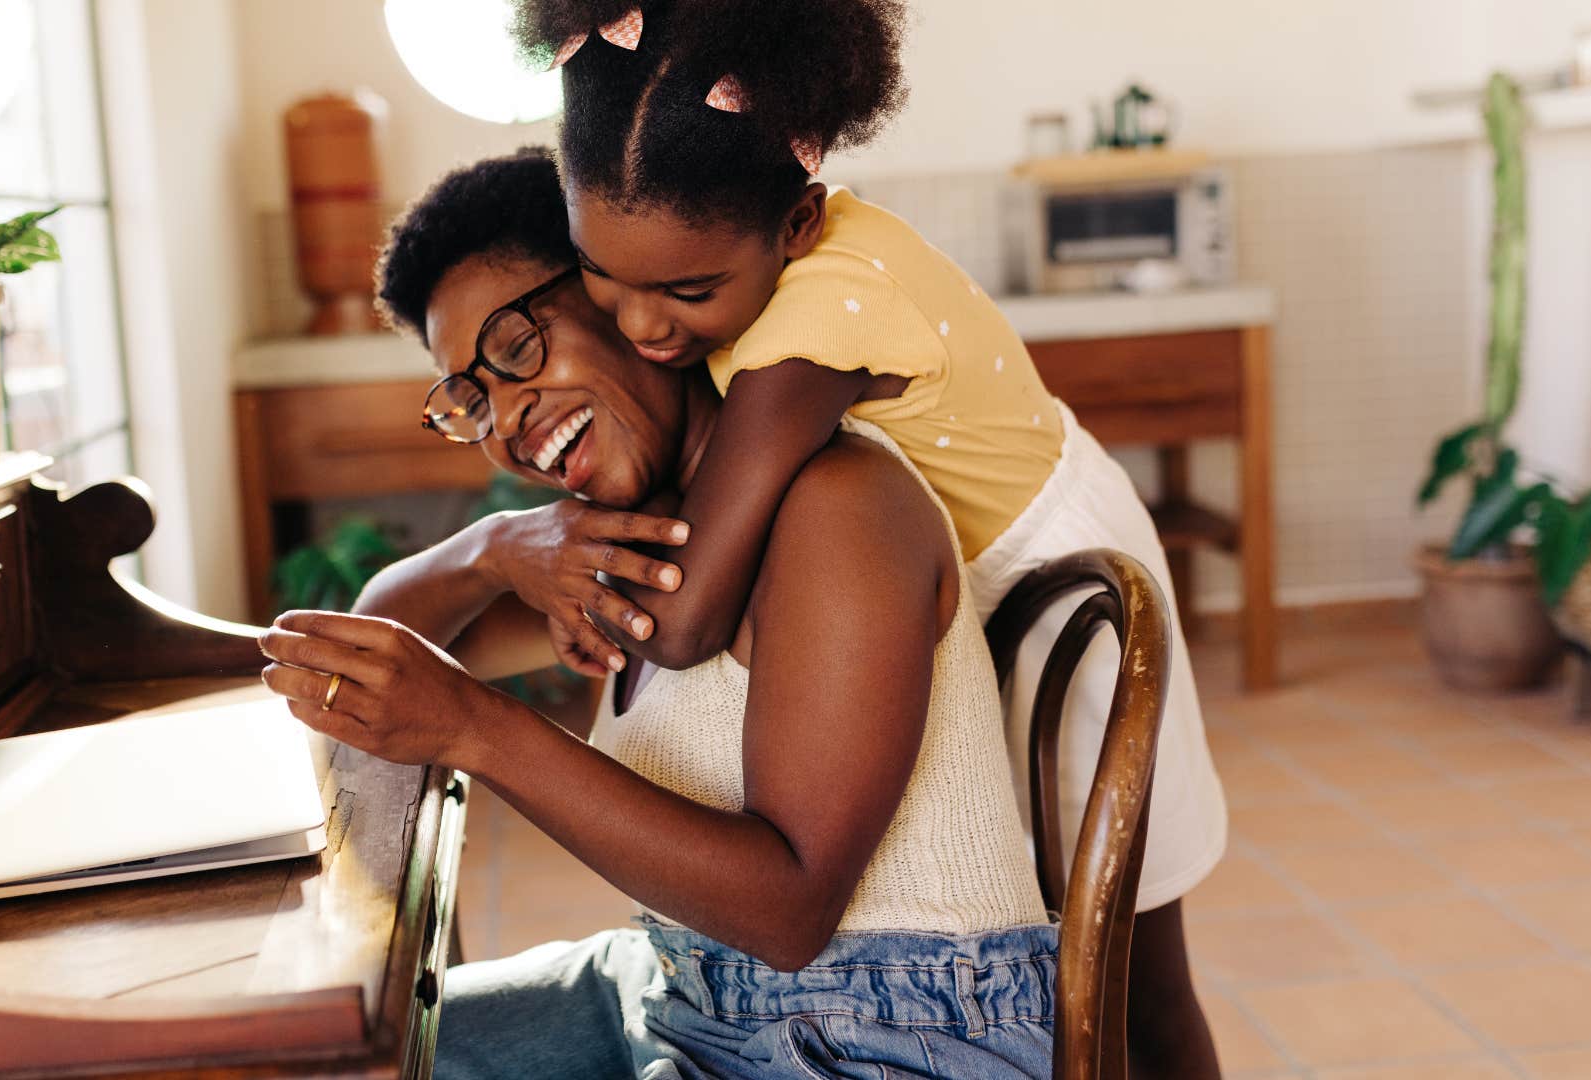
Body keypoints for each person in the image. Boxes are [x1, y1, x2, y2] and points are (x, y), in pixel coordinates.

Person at [506, 3, 1227, 1073]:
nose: (643, 327)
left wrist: (558, 569)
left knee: (1130, 970)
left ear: (796, 226)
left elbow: (690, 613)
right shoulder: (733, 270)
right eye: (602, 277)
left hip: (1047, 558)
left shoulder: (816, 325)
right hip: (958, 563)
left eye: (687, 291)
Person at [261, 147, 1056, 1079]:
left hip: (891, 1035)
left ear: (619, 294)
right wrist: (496, 547)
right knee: (337, 1055)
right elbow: (385, 635)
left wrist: (477, 729)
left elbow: (790, 911)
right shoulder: (631, 543)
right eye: (473, 399)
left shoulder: (837, 504)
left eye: (519, 349)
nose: (510, 416)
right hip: (682, 986)